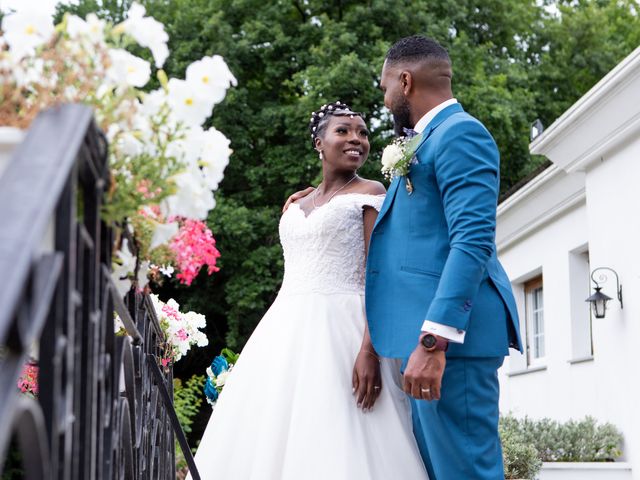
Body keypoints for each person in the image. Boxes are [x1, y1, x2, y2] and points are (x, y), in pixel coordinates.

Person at [288, 36, 523, 479]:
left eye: (384, 88)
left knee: (466, 471)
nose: (385, 97)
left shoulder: (461, 134)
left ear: (405, 81)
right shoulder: (425, 139)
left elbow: (472, 241)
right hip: (423, 341)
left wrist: (435, 342)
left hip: (453, 344)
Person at [188, 101, 428, 480]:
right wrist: (309, 199)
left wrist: (369, 350)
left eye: (363, 133)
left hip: (346, 327)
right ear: (319, 142)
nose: (356, 140)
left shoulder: (371, 192)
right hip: (284, 328)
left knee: (339, 428)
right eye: (343, 131)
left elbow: (378, 276)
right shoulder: (299, 202)